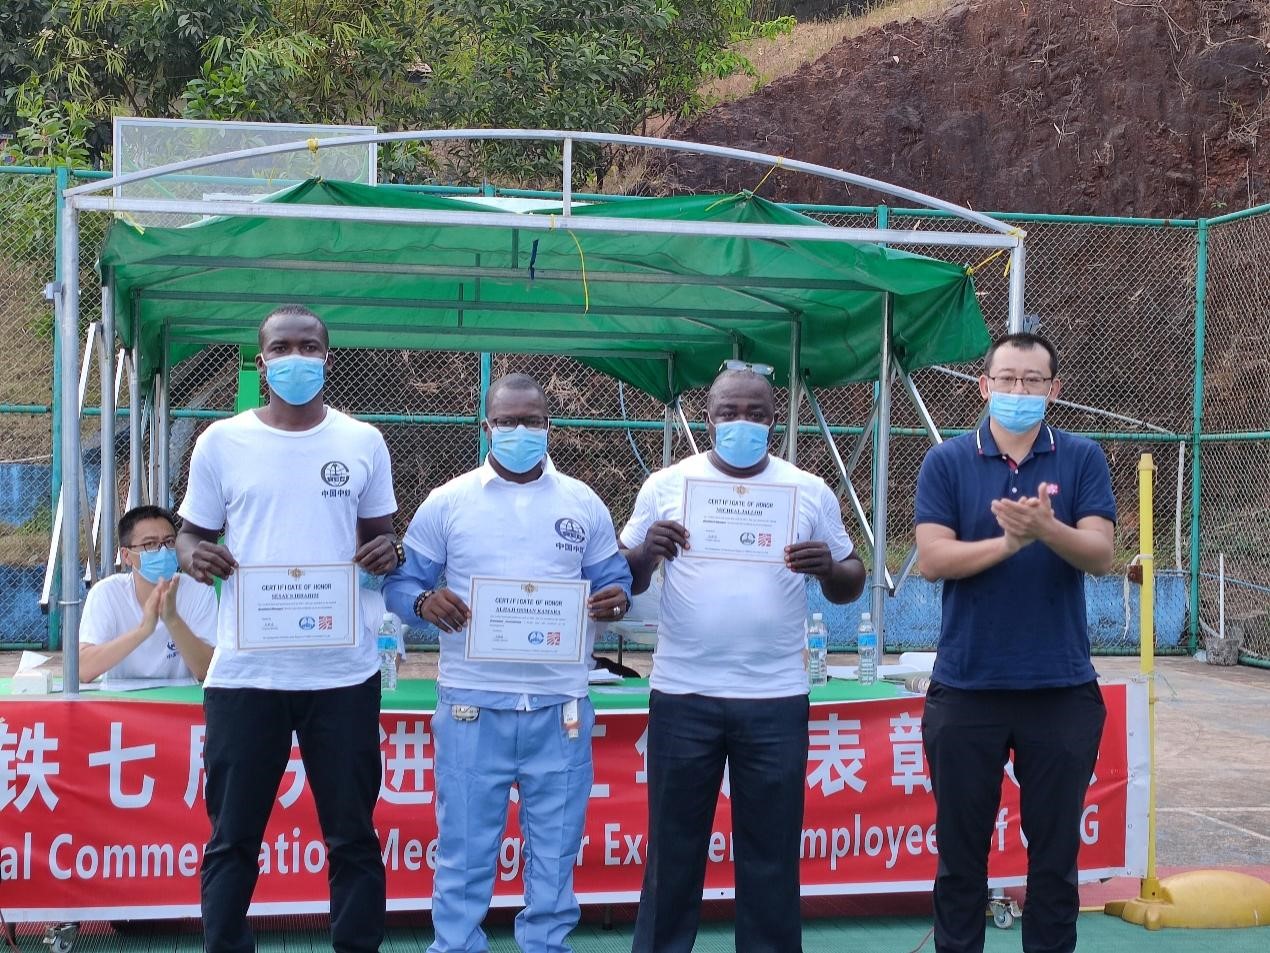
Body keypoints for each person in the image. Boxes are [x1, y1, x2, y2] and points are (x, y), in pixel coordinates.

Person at [176, 304, 401, 953]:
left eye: (309, 347)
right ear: (261, 361)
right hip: (247, 672)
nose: (296, 358)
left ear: (328, 359)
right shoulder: (221, 441)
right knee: (233, 836)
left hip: (343, 672)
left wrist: (387, 552)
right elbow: (191, 533)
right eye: (282, 347)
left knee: (352, 836)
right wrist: (194, 555)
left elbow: (382, 538)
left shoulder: (362, 441)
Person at [383, 373, 633, 953]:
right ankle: (455, 944)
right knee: (465, 848)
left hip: (560, 706)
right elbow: (402, 583)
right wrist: (423, 602)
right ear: (486, 427)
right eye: (507, 421)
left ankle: (546, 944)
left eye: (531, 421)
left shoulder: (582, 502)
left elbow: (614, 577)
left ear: (550, 426)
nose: (520, 430)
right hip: (472, 704)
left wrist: (616, 598)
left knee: (557, 850)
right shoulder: (449, 501)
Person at [620, 365, 866, 953]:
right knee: (673, 851)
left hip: (775, 696)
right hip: (684, 693)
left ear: (774, 422)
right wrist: (648, 553)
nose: (742, 423)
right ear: (707, 419)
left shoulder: (807, 489)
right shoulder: (666, 484)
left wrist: (827, 570)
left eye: (756, 414)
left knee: (771, 855)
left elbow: (852, 578)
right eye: (729, 412)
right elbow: (625, 577)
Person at [914, 332, 1116, 953]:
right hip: (967, 686)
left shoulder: (1081, 457)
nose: (1018, 390)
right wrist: (1009, 543)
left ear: (1054, 389)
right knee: (960, 858)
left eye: (1032, 380)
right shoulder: (948, 460)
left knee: (1054, 860)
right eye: (1006, 379)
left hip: (1060, 687)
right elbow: (932, 559)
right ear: (985, 385)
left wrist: (1048, 529)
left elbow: (1101, 554)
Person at [79, 504, 216, 686]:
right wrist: (143, 631)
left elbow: (208, 670)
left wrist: (172, 619)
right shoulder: (106, 593)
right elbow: (83, 670)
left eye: (169, 541)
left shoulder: (199, 590)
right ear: (126, 556)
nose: (163, 550)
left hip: (180, 699)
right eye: (150, 544)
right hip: (121, 700)